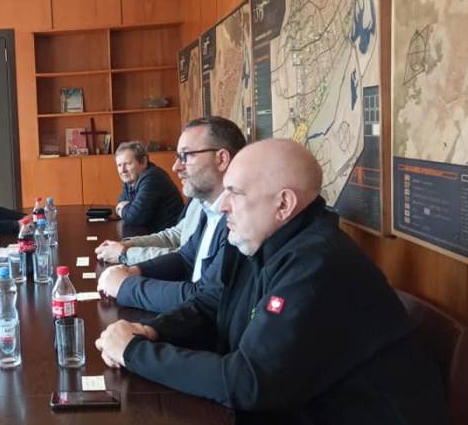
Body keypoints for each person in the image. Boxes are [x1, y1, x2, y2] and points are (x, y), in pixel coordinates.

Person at [95, 139, 447, 424]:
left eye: (235, 193)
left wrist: (134, 352)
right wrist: (151, 331)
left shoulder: (319, 264)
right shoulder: (252, 240)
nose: (223, 206)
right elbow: (209, 304)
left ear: (284, 204)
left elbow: (250, 381)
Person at [96, 117, 246, 313]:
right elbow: (185, 258)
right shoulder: (207, 208)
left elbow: (207, 299)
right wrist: (135, 270)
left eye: (186, 156)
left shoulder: (238, 220)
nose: (176, 167)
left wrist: (125, 286)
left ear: (222, 159)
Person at [114, 141, 184, 232]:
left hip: (170, 237)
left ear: (143, 162)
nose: (123, 170)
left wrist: (125, 209)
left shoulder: (152, 177)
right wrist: (127, 209)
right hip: (152, 233)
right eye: (119, 165)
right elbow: (121, 204)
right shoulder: (131, 178)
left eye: (127, 164)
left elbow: (134, 217)